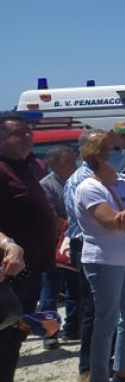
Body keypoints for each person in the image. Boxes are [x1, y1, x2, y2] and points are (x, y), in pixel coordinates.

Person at [74, 129, 125, 382]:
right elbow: (112, 222)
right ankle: (99, 376)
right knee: (106, 321)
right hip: (103, 261)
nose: (123, 153)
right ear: (100, 155)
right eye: (117, 149)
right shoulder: (88, 188)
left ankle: (124, 370)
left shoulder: (124, 181)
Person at [0, 113, 56, 382]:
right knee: (6, 336)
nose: (27, 136)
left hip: (32, 268)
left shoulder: (26, 165)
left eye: (28, 131)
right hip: (9, 272)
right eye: (18, 132)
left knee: (16, 335)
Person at [62, 129, 99, 381]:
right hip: (87, 246)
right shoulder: (79, 181)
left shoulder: (106, 176)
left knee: (108, 308)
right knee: (93, 309)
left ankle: (106, 359)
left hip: (105, 246)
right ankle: (87, 368)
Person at [37, 145, 78, 349]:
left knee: (75, 287)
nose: (73, 163)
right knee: (50, 291)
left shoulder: (78, 180)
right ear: (53, 163)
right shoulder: (46, 185)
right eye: (68, 160)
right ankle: (50, 334)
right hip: (54, 245)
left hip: (75, 242)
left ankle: (73, 327)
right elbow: (52, 217)